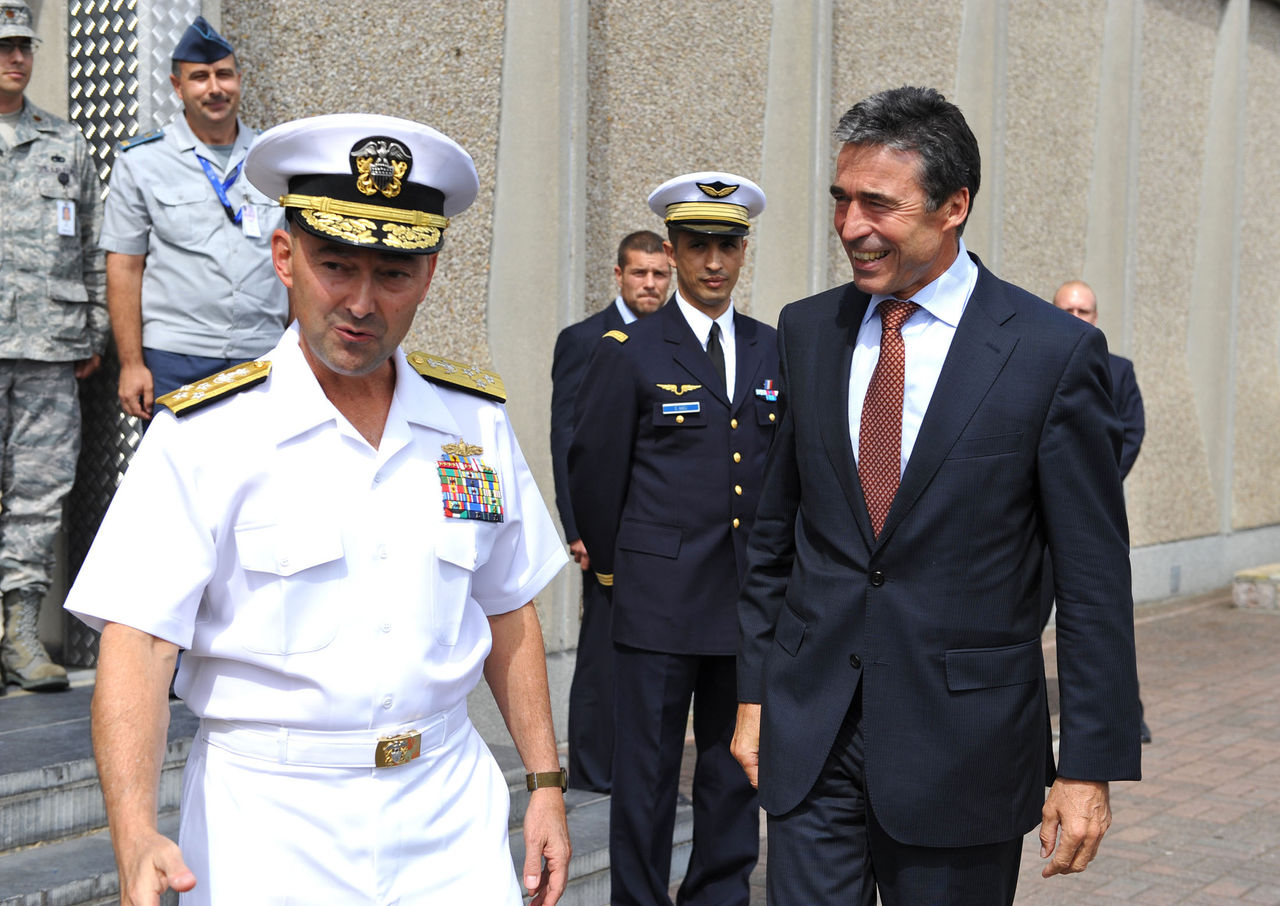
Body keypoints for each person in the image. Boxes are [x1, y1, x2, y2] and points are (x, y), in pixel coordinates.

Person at [66, 113, 571, 906]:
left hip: (447, 815)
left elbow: (509, 606)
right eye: (335, 265)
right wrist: (134, 833)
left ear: (430, 273)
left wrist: (543, 780)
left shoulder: (472, 423)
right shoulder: (207, 434)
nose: (362, 303)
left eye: (394, 275)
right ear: (284, 257)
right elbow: (138, 644)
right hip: (266, 828)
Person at [731, 87, 1141, 905]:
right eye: (841, 201)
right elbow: (775, 535)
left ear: (954, 205)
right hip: (813, 737)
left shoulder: (1053, 354)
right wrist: (754, 692)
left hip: (964, 752)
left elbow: (1093, 579)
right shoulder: (809, 330)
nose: (851, 227)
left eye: (878, 204)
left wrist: (1089, 764)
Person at [570, 172, 777, 905]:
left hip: (747, 603)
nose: (713, 261)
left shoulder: (770, 349)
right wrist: (618, 571)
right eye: (697, 246)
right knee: (649, 776)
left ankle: (719, 896)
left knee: (733, 772)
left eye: (726, 245)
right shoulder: (631, 349)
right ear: (673, 250)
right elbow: (596, 472)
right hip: (658, 600)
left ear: (744, 250)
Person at [100, 16, 287, 420]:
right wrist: (132, 364)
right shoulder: (143, 161)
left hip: (264, 353)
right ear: (177, 86)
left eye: (224, 74)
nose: (215, 88)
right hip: (175, 358)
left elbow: (297, 263)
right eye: (199, 77)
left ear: (240, 78)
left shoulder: (272, 160)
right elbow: (124, 267)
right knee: (180, 481)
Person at [0, 0, 105, 692]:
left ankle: (19, 634)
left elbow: (93, 243)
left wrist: (93, 323)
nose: (16, 58)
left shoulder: (65, 143)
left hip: (47, 346)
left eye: (24, 47)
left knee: (38, 495)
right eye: (4, 46)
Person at [550, 229, 670, 793]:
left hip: (661, 534)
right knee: (600, 657)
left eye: (659, 274)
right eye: (640, 273)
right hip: (605, 531)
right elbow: (567, 440)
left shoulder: (679, 338)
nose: (651, 283)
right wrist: (578, 529)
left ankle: (639, 771)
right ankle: (594, 774)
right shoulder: (584, 339)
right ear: (618, 275)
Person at [1052, 278, 1150, 743]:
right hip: (1034, 521)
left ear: (1096, 317)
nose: (1074, 319)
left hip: (1095, 517)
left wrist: (1093, 487)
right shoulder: (1029, 361)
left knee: (1105, 616)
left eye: (1083, 312)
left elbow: (1130, 432)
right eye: (1065, 310)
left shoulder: (1118, 369)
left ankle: (1127, 714)